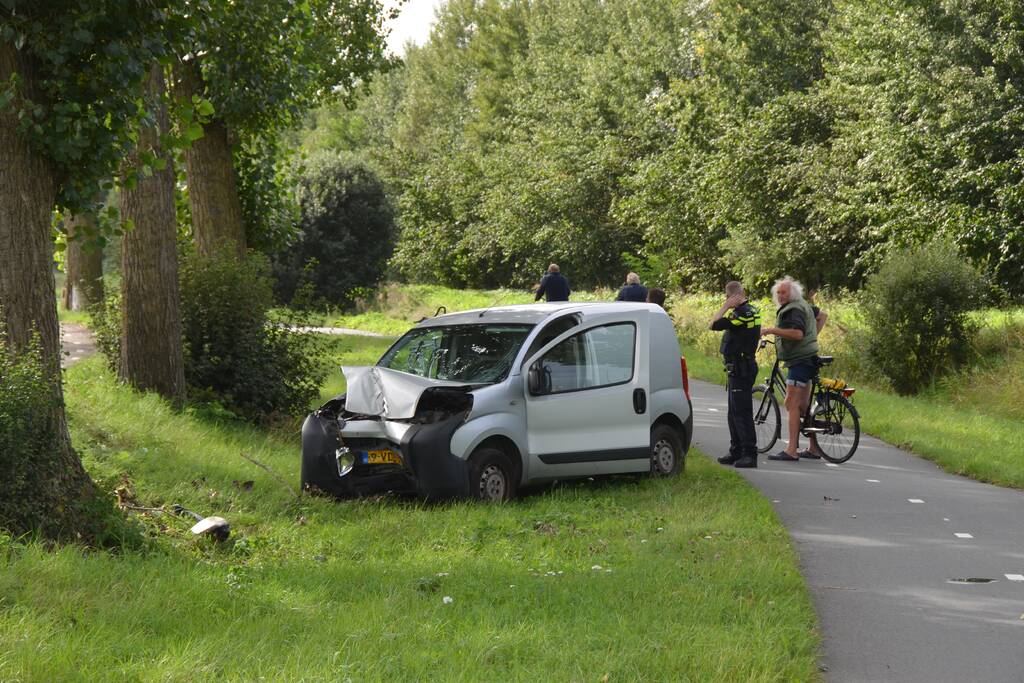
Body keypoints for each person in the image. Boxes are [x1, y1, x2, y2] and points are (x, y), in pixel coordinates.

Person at [760, 276, 821, 462]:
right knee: (803, 406)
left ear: (792, 293)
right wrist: (813, 337)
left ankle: (791, 450)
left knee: (791, 404)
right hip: (810, 358)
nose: (780, 296)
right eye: (778, 292)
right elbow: (822, 315)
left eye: (783, 292)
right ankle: (813, 449)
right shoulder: (803, 305)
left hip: (799, 361)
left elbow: (797, 333)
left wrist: (771, 330)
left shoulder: (793, 310)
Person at [709, 281, 762, 468]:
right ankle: (736, 451)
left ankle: (749, 453)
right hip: (739, 366)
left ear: (730, 297)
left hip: (742, 367)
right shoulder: (752, 311)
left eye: (727, 298)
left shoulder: (742, 314)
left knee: (741, 412)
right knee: (733, 412)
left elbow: (713, 324)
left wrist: (725, 306)